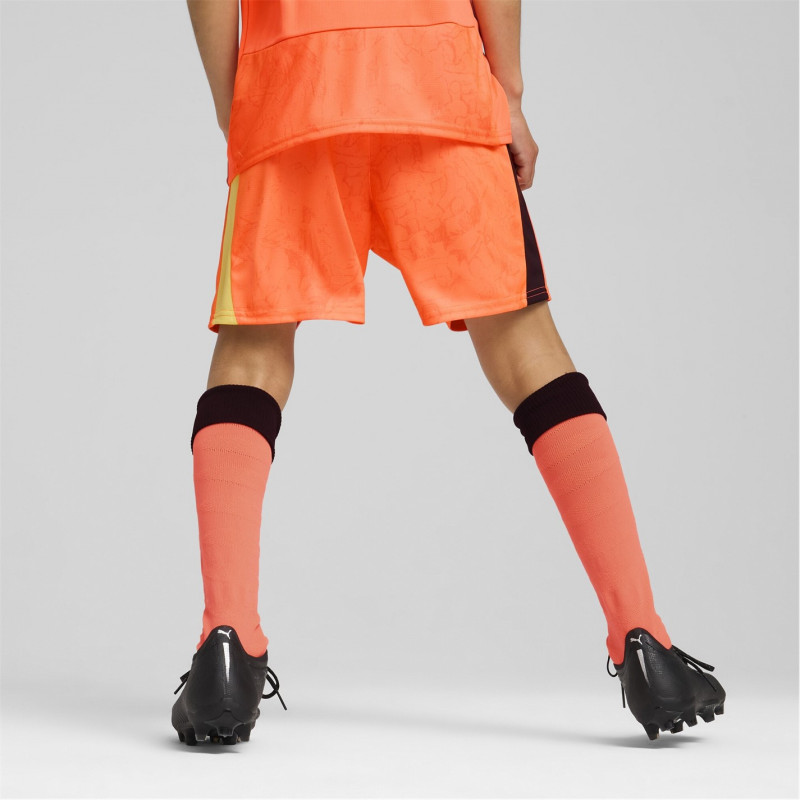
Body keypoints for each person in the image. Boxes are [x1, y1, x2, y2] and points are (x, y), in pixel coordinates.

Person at [172, 0, 725, 746]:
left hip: (293, 82)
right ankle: (644, 641)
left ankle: (227, 642)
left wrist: (237, 103)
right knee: (527, 348)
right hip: (439, 78)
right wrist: (510, 94)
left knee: (252, 351)